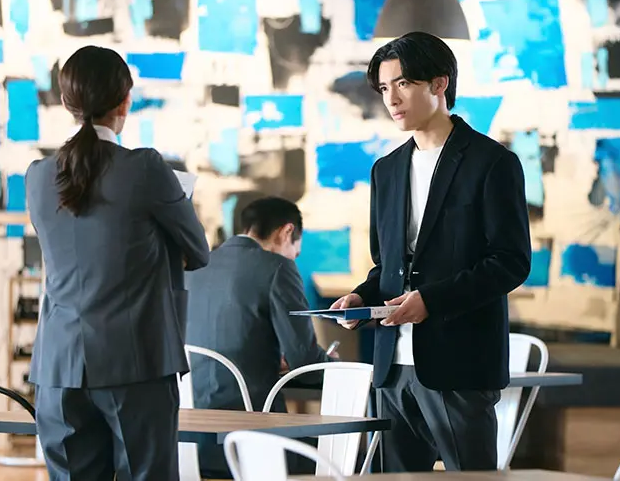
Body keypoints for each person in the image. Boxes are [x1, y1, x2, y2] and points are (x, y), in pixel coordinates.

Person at [331, 32, 531, 472]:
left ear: (440, 83)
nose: (392, 99)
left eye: (403, 84)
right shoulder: (386, 170)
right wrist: (362, 297)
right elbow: (387, 266)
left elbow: (510, 262)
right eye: (385, 88)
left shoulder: (492, 162)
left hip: (459, 362)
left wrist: (431, 301)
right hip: (391, 365)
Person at [25, 45, 210, 481]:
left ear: (67, 102)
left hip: (58, 367)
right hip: (136, 364)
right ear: (125, 101)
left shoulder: (37, 175)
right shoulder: (145, 167)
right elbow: (198, 251)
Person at [185, 196, 336, 478]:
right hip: (252, 440)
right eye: (295, 252)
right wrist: (331, 363)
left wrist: (263, 359)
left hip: (189, 443)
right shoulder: (277, 267)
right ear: (287, 231)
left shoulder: (194, 267)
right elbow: (305, 363)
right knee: (343, 456)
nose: (293, 258)